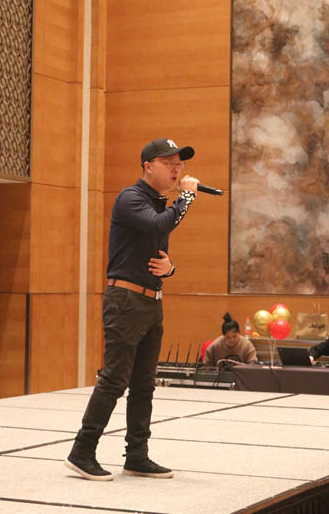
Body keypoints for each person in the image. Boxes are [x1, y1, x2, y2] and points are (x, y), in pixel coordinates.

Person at [65, 138, 199, 481]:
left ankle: (137, 454)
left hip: (152, 301)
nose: (176, 169)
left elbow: (157, 251)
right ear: (148, 166)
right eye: (169, 162)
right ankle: (82, 451)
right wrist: (186, 197)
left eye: (180, 164)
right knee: (115, 378)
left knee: (144, 384)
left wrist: (170, 269)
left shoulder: (158, 204)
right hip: (125, 300)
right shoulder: (131, 198)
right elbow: (159, 226)